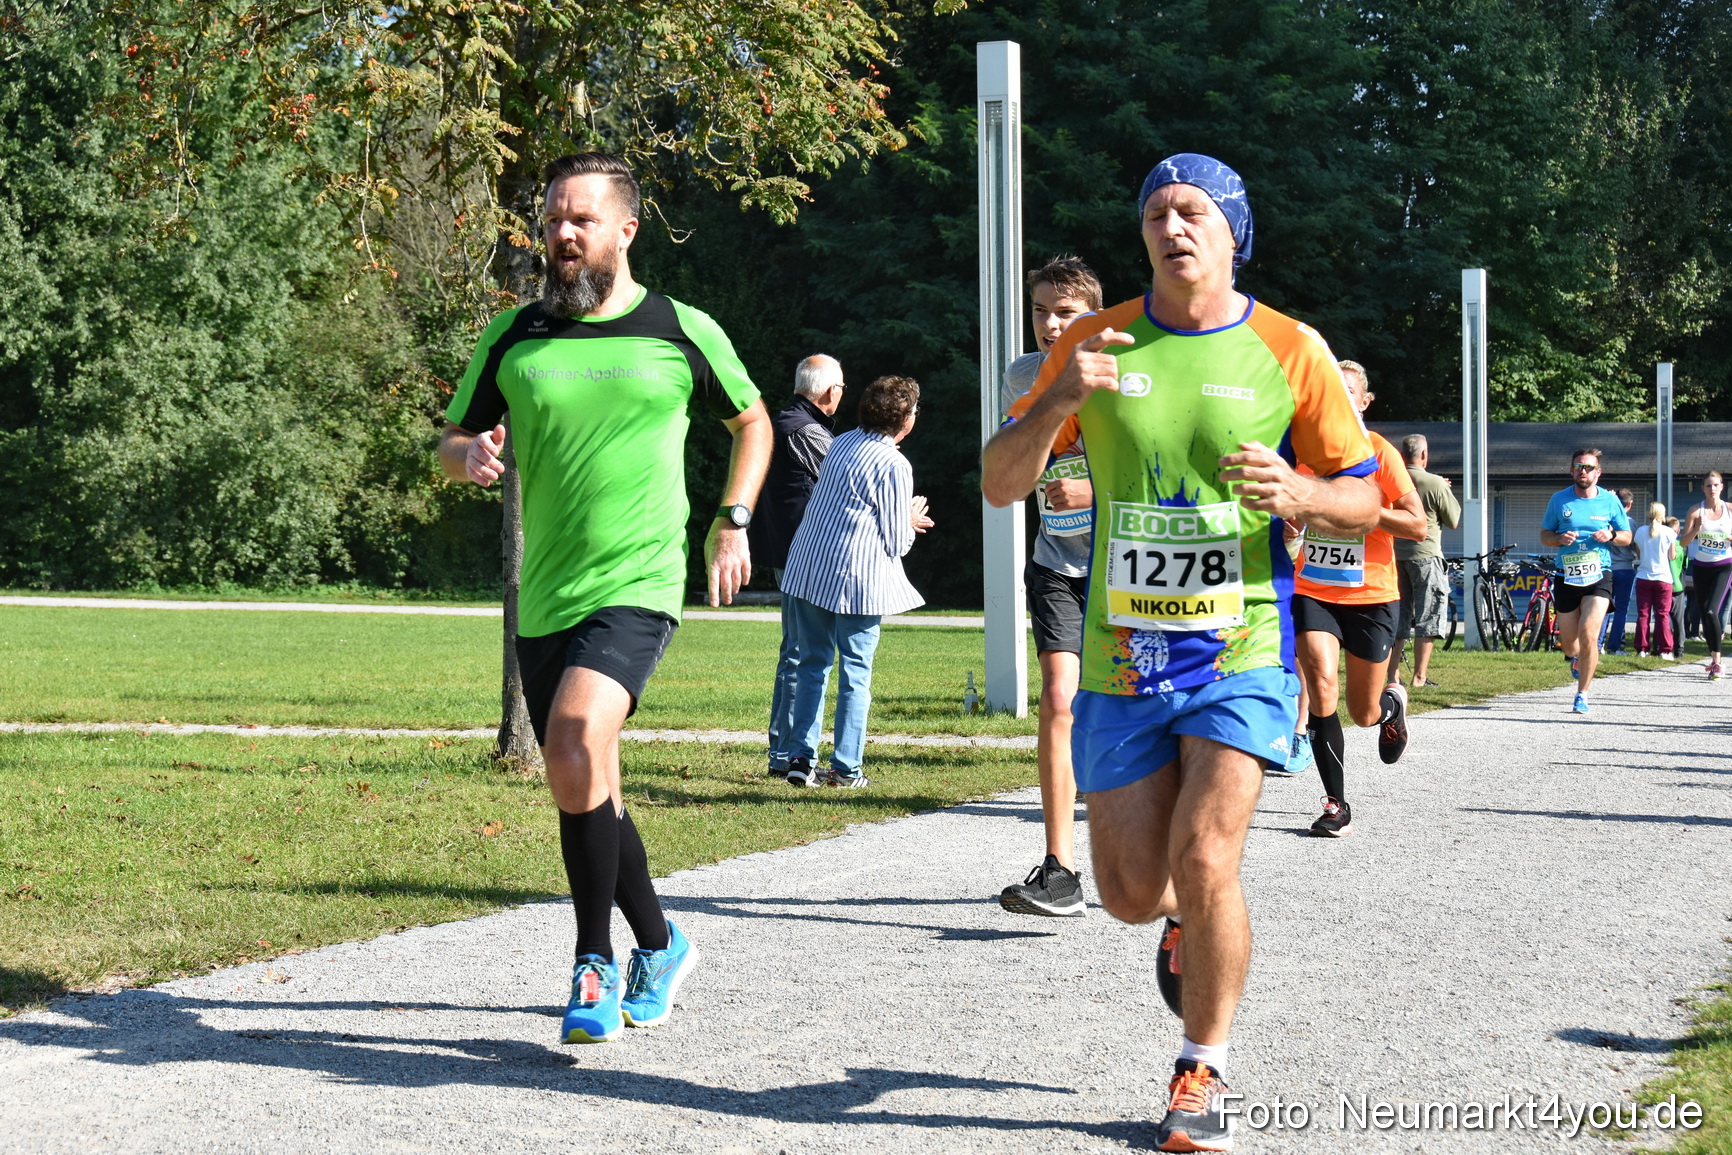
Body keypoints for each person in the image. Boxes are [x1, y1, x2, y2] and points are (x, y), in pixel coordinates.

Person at [981, 153, 1381, 1153]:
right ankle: (1179, 922)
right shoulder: (1093, 339)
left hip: (1240, 647)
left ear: (1232, 231)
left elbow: (1368, 496)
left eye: (1192, 210)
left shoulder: (1289, 348)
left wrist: (1302, 493)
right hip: (1123, 658)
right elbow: (998, 481)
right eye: (1157, 212)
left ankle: (1202, 1068)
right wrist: (1058, 403)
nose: (1172, 226)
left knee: (1206, 856)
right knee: (1127, 893)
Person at [438, 151, 771, 1044]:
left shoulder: (679, 327)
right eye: (553, 218)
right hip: (546, 591)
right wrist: (469, 457)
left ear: (626, 229)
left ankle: (593, 960)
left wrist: (732, 519)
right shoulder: (515, 334)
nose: (562, 233)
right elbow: (452, 438)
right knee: (585, 776)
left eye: (580, 219)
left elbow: (752, 420)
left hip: (640, 579)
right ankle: (660, 944)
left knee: (576, 735)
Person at [997, 255, 1104, 919]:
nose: (1050, 324)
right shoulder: (1021, 375)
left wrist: (1093, 489)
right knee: (1059, 699)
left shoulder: (1126, 373)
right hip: (1055, 563)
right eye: (1040, 310)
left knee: (1133, 711)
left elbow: (1163, 471)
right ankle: (1061, 869)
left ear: (1094, 315)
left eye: (1065, 312)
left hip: (1125, 569)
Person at [1286, 363, 1427, 838]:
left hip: (1371, 596)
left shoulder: (1380, 453)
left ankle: (1391, 708)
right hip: (1314, 589)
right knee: (1321, 685)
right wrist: (1289, 522)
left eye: (1348, 391)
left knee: (1363, 712)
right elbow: (1291, 515)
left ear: (1364, 401)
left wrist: (1364, 510)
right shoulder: (1304, 453)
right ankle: (1335, 804)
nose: (1338, 398)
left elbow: (1417, 525)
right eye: (1330, 389)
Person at [777, 376, 933, 788]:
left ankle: (800, 759)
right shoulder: (895, 464)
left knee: (812, 666)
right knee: (855, 673)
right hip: (856, 579)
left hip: (809, 567)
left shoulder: (842, 441)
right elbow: (897, 542)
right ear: (905, 418)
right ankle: (846, 769)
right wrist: (910, 519)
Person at [755, 355, 845, 779]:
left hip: (786, 549)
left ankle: (783, 751)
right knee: (800, 653)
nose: (841, 394)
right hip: (802, 553)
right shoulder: (805, 430)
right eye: (841, 387)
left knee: (795, 650)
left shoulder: (781, 421)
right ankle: (786, 754)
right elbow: (845, 478)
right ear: (829, 391)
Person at [1539, 448, 1632, 712]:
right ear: (1571, 471)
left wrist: (1611, 535)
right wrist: (1558, 538)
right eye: (1579, 466)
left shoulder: (1610, 501)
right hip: (1566, 575)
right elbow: (1545, 535)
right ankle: (1576, 658)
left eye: (1589, 467)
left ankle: (1582, 694)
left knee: (1590, 633)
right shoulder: (1559, 500)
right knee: (1570, 644)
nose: (1584, 471)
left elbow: (1627, 536)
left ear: (1598, 473)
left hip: (1599, 574)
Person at [1392, 433, 1460, 688]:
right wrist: (1443, 489)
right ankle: (1419, 677)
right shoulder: (1435, 483)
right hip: (1426, 556)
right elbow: (1453, 520)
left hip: (1394, 558)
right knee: (1428, 616)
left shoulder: (1391, 479)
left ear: (1402, 455)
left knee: (1397, 618)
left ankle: (1392, 675)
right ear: (1424, 454)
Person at [1679, 471, 1732, 679]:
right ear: (1703, 488)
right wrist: (1696, 530)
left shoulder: (1730, 510)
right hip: (1701, 568)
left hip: (1724, 567)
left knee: (1711, 611)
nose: (1712, 489)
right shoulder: (1695, 510)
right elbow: (1683, 542)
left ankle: (1718, 662)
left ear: (1722, 487)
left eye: (1716, 485)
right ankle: (1714, 659)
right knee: (1704, 614)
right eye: (1708, 485)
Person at [1633, 502, 1677, 659]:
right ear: (1662, 515)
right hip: (1663, 578)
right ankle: (1665, 649)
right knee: (1662, 614)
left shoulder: (1640, 531)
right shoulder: (1669, 532)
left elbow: (1639, 554)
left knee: (1643, 614)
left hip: (1644, 576)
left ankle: (1642, 649)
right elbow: (1672, 556)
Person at [1602, 489, 1638, 652]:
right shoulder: (1630, 523)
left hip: (1607, 568)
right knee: (1621, 610)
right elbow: (1635, 546)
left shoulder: (1605, 520)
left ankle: (1598, 645)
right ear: (1629, 504)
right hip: (1625, 568)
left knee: (1603, 608)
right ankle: (1615, 646)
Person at [1667, 517, 1688, 661]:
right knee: (1678, 620)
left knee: (1662, 617)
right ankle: (1679, 649)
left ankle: (1660, 645)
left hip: (1664, 584)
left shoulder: (1661, 545)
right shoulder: (1681, 546)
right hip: (1678, 585)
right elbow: (1684, 566)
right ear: (1678, 531)